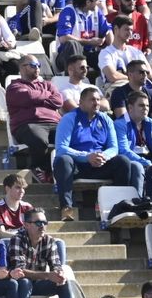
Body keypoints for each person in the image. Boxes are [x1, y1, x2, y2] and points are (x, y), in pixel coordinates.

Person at [54, 87, 143, 221]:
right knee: (62, 160)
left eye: (98, 99)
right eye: (91, 100)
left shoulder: (106, 119)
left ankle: (119, 206)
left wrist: (104, 156)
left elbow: (114, 148)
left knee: (122, 161)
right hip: (78, 166)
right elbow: (61, 148)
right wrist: (86, 157)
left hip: (100, 164)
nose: (96, 103)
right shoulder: (69, 118)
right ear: (81, 102)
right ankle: (67, 208)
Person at [5, 56, 64, 183]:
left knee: (71, 137)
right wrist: (48, 96)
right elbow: (27, 96)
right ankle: (38, 168)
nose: (37, 68)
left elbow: (58, 101)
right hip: (28, 124)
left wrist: (37, 98)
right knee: (39, 140)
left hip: (54, 122)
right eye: (32, 65)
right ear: (22, 68)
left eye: (38, 65)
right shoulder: (14, 87)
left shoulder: (48, 84)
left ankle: (56, 169)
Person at [8, 210, 76, 298]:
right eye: (38, 223)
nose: (42, 226)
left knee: (64, 283)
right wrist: (47, 275)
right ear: (26, 225)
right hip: (20, 283)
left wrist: (59, 274)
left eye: (45, 223)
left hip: (39, 284)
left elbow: (56, 265)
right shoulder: (17, 239)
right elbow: (20, 271)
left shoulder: (49, 240)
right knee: (25, 282)